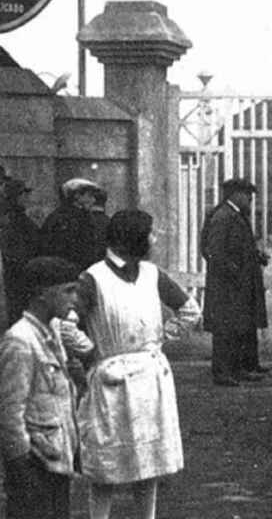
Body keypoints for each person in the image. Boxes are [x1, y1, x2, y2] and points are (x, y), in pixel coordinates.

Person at [76, 209, 201, 519]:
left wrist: (159, 339)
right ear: (132, 236)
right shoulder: (93, 278)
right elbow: (65, 324)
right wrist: (89, 352)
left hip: (150, 380)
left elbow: (190, 311)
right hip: (112, 381)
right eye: (150, 233)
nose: (154, 238)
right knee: (108, 466)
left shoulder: (151, 273)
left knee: (149, 463)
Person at [0, 257, 81, 519]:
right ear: (43, 294)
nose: (75, 299)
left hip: (56, 457)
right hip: (34, 464)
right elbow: (10, 410)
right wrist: (19, 464)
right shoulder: (20, 341)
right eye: (68, 290)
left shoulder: (52, 331)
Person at [200, 178, 270, 386]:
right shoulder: (223, 217)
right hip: (228, 285)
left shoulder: (234, 215)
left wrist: (256, 256)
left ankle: (239, 369)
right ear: (235, 195)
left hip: (237, 283)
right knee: (225, 329)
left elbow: (239, 247)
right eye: (247, 196)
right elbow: (214, 251)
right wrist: (235, 272)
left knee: (238, 326)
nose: (250, 200)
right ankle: (223, 373)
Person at [40, 178, 105, 273]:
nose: (93, 200)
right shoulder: (66, 220)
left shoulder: (63, 216)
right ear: (77, 196)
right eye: (89, 196)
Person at [1, 179, 41, 323]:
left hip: (17, 277)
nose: (27, 199)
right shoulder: (14, 220)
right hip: (19, 278)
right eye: (24, 194)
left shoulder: (16, 218)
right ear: (16, 196)